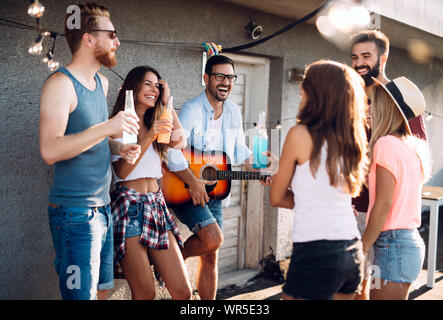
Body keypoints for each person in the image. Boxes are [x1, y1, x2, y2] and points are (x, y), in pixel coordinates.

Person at [39, 3, 141, 300]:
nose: (117, 42)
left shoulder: (102, 83)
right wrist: (109, 127)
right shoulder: (59, 84)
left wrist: (117, 145)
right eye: (111, 34)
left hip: (103, 208)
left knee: (103, 291)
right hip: (74, 214)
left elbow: (88, 138)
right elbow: (50, 149)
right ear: (88, 39)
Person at [166, 55, 270, 300]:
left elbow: (239, 151)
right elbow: (171, 152)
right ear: (206, 78)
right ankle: (168, 261)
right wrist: (193, 181)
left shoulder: (233, 111)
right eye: (220, 76)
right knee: (213, 238)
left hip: (217, 195)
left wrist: (259, 170)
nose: (226, 82)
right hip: (185, 189)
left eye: (230, 77)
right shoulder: (192, 109)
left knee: (211, 252)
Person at [270, 60, 369, 300]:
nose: (301, 88)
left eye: (306, 83)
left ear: (318, 92)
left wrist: (277, 173)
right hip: (352, 250)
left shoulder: (300, 134)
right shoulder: (351, 137)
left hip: (316, 250)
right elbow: (325, 190)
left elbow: (276, 197)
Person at [349, 29, 428, 299]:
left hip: (387, 224)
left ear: (383, 59)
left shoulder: (401, 103)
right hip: (359, 213)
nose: (359, 62)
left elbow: (413, 163)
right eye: (354, 56)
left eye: (366, 56)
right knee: (358, 292)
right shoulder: (353, 103)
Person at [109, 66, 191, 300]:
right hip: (130, 207)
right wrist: (149, 135)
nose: (153, 89)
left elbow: (180, 141)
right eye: (147, 84)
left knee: (182, 292)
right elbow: (122, 171)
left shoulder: (156, 120)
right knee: (144, 294)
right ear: (132, 88)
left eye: (157, 85)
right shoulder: (122, 123)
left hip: (156, 205)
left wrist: (167, 103)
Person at [362, 76, 431, 300]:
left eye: (372, 102)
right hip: (403, 245)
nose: (368, 108)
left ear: (386, 108)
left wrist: (362, 248)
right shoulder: (409, 146)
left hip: (393, 246)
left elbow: (383, 205)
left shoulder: (385, 144)